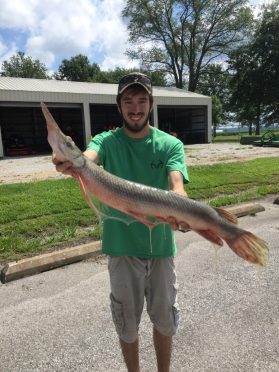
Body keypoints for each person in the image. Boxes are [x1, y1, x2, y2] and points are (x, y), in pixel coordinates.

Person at [53, 72, 189, 372]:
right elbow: (88, 158)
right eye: (128, 101)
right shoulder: (106, 141)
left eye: (142, 100)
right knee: (127, 324)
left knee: (165, 321)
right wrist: (70, 161)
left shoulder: (170, 144)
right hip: (121, 249)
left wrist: (181, 206)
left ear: (151, 104)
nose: (136, 107)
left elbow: (177, 183)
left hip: (161, 249)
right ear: (119, 106)